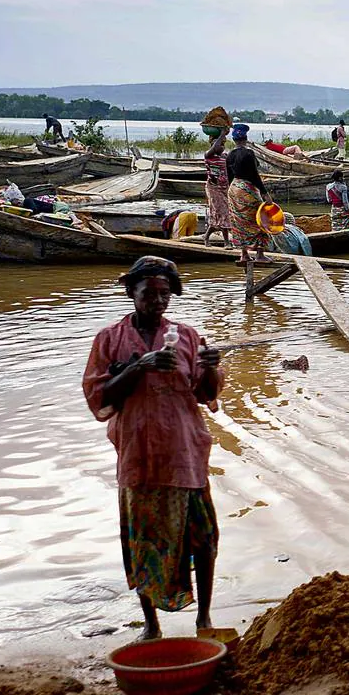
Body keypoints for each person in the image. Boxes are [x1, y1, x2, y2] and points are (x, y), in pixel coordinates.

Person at [82, 257, 223, 641]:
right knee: (142, 539)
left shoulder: (187, 336)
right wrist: (137, 367)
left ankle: (204, 619)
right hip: (138, 452)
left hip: (184, 450)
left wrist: (211, 366)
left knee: (202, 537)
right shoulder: (109, 340)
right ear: (132, 293)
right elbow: (98, 397)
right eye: (148, 294)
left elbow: (205, 393)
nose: (157, 302)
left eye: (165, 295)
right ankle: (151, 623)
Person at [225, 125, 275, 265]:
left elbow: (229, 177)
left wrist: (231, 193)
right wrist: (265, 194)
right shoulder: (249, 153)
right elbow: (255, 175)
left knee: (238, 222)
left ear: (234, 140)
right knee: (261, 219)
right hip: (247, 188)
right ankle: (259, 254)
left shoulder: (230, 155)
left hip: (234, 189)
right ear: (246, 139)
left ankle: (244, 254)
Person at [202, 123, 232, 247]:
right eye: (219, 144)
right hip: (213, 188)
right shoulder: (208, 155)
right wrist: (221, 134)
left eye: (223, 145)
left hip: (225, 188)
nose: (221, 147)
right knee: (223, 213)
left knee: (222, 214)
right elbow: (214, 147)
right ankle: (226, 242)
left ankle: (206, 237)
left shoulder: (225, 157)